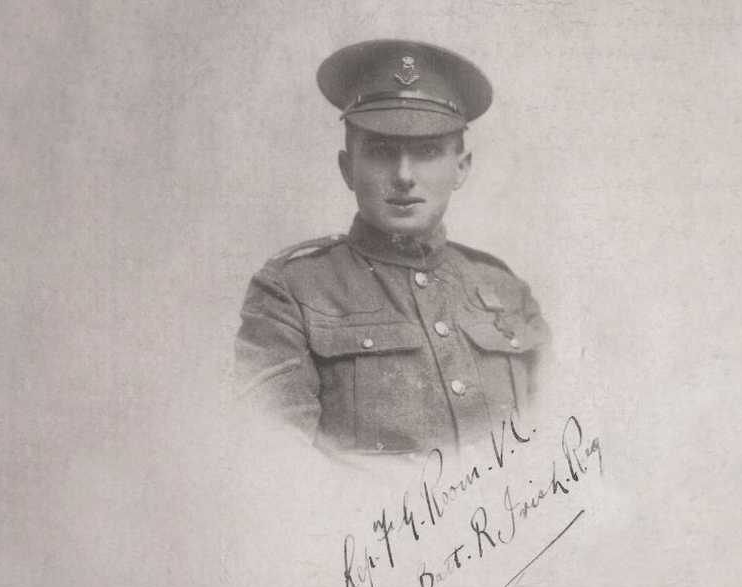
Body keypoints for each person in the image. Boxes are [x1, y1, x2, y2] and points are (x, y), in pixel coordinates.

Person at [234, 39, 550, 457]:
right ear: (348, 168)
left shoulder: (506, 290)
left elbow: (556, 447)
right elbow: (275, 464)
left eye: (428, 151)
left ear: (461, 168)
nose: (404, 176)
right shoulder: (290, 293)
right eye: (381, 152)